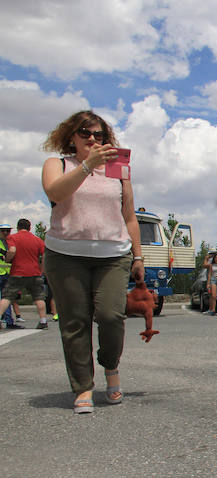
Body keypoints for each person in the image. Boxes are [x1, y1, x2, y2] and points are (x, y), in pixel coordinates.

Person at [40, 110, 144, 414]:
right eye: (85, 133)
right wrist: (87, 166)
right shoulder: (57, 164)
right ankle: (83, 386)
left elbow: (129, 216)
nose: (92, 139)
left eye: (99, 135)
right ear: (72, 136)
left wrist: (138, 256)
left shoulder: (118, 170)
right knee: (74, 323)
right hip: (65, 255)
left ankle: (110, 366)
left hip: (112, 254)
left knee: (111, 317)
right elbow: (55, 192)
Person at [0, 219, 48, 329]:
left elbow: (12, 250)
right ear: (30, 228)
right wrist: (42, 269)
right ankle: (43, 321)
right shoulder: (37, 240)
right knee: (39, 298)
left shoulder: (13, 238)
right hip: (35, 273)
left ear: (17, 227)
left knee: (7, 297)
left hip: (18, 272)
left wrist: (8, 259)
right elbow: (45, 254)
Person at [0, 223, 16, 328]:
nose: (6, 233)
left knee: (7, 298)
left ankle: (9, 321)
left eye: (8, 231)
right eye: (3, 230)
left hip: (7, 274)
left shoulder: (10, 242)